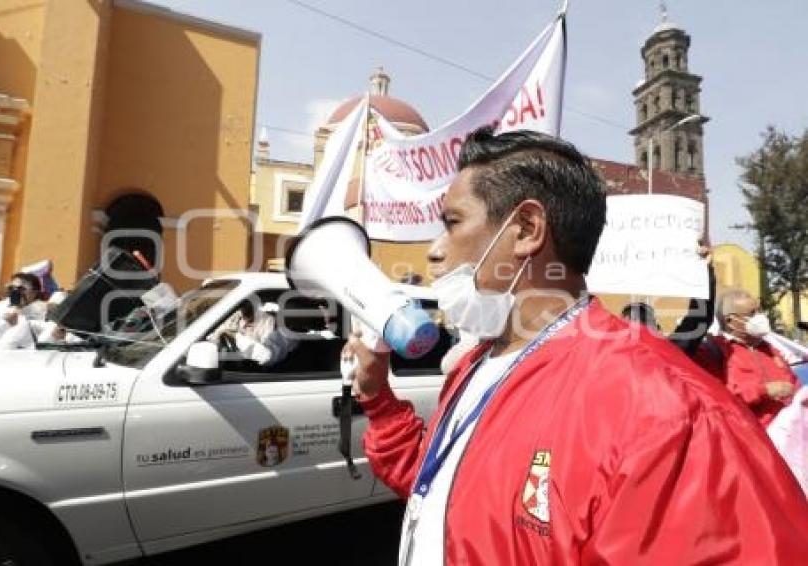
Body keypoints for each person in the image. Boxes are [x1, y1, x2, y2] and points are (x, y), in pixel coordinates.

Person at [343, 127, 808, 565]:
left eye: (453, 221)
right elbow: (438, 491)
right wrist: (377, 396)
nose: (434, 250)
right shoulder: (473, 366)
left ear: (526, 229)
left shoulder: (666, 410)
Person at [695, 288, 800, 427]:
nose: (760, 317)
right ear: (730, 321)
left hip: (788, 437)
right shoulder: (715, 351)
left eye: (760, 311)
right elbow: (719, 400)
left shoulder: (770, 348)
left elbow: (794, 383)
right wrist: (763, 391)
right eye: (752, 313)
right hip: (751, 437)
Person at [0, 272, 47, 349]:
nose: (15, 292)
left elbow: (39, 335)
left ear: (34, 292)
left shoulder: (42, 309)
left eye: (21, 289)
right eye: (12, 288)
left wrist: (19, 310)